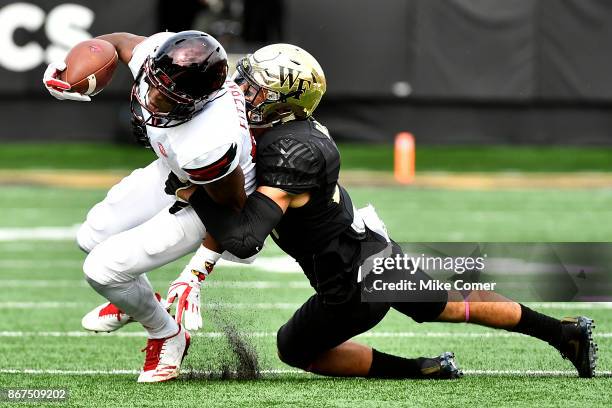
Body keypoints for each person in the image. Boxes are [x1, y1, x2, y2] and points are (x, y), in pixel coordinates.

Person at [171, 43, 598, 379]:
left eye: (253, 89)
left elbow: (246, 240)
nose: (240, 94)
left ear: (282, 103)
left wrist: (197, 194)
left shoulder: (290, 150)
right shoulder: (282, 133)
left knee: (294, 349)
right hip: (369, 251)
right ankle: (562, 332)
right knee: (446, 305)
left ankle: (416, 370)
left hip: (351, 281)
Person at [42, 30, 256, 382]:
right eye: (154, 84)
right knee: (92, 236)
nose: (153, 98)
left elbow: (234, 204)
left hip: (208, 197)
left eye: (168, 97)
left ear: (195, 101)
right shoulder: (166, 58)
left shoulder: (208, 140)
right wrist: (73, 70)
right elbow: (120, 43)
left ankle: (166, 334)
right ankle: (139, 299)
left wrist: (198, 269)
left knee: (102, 269)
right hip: (175, 169)